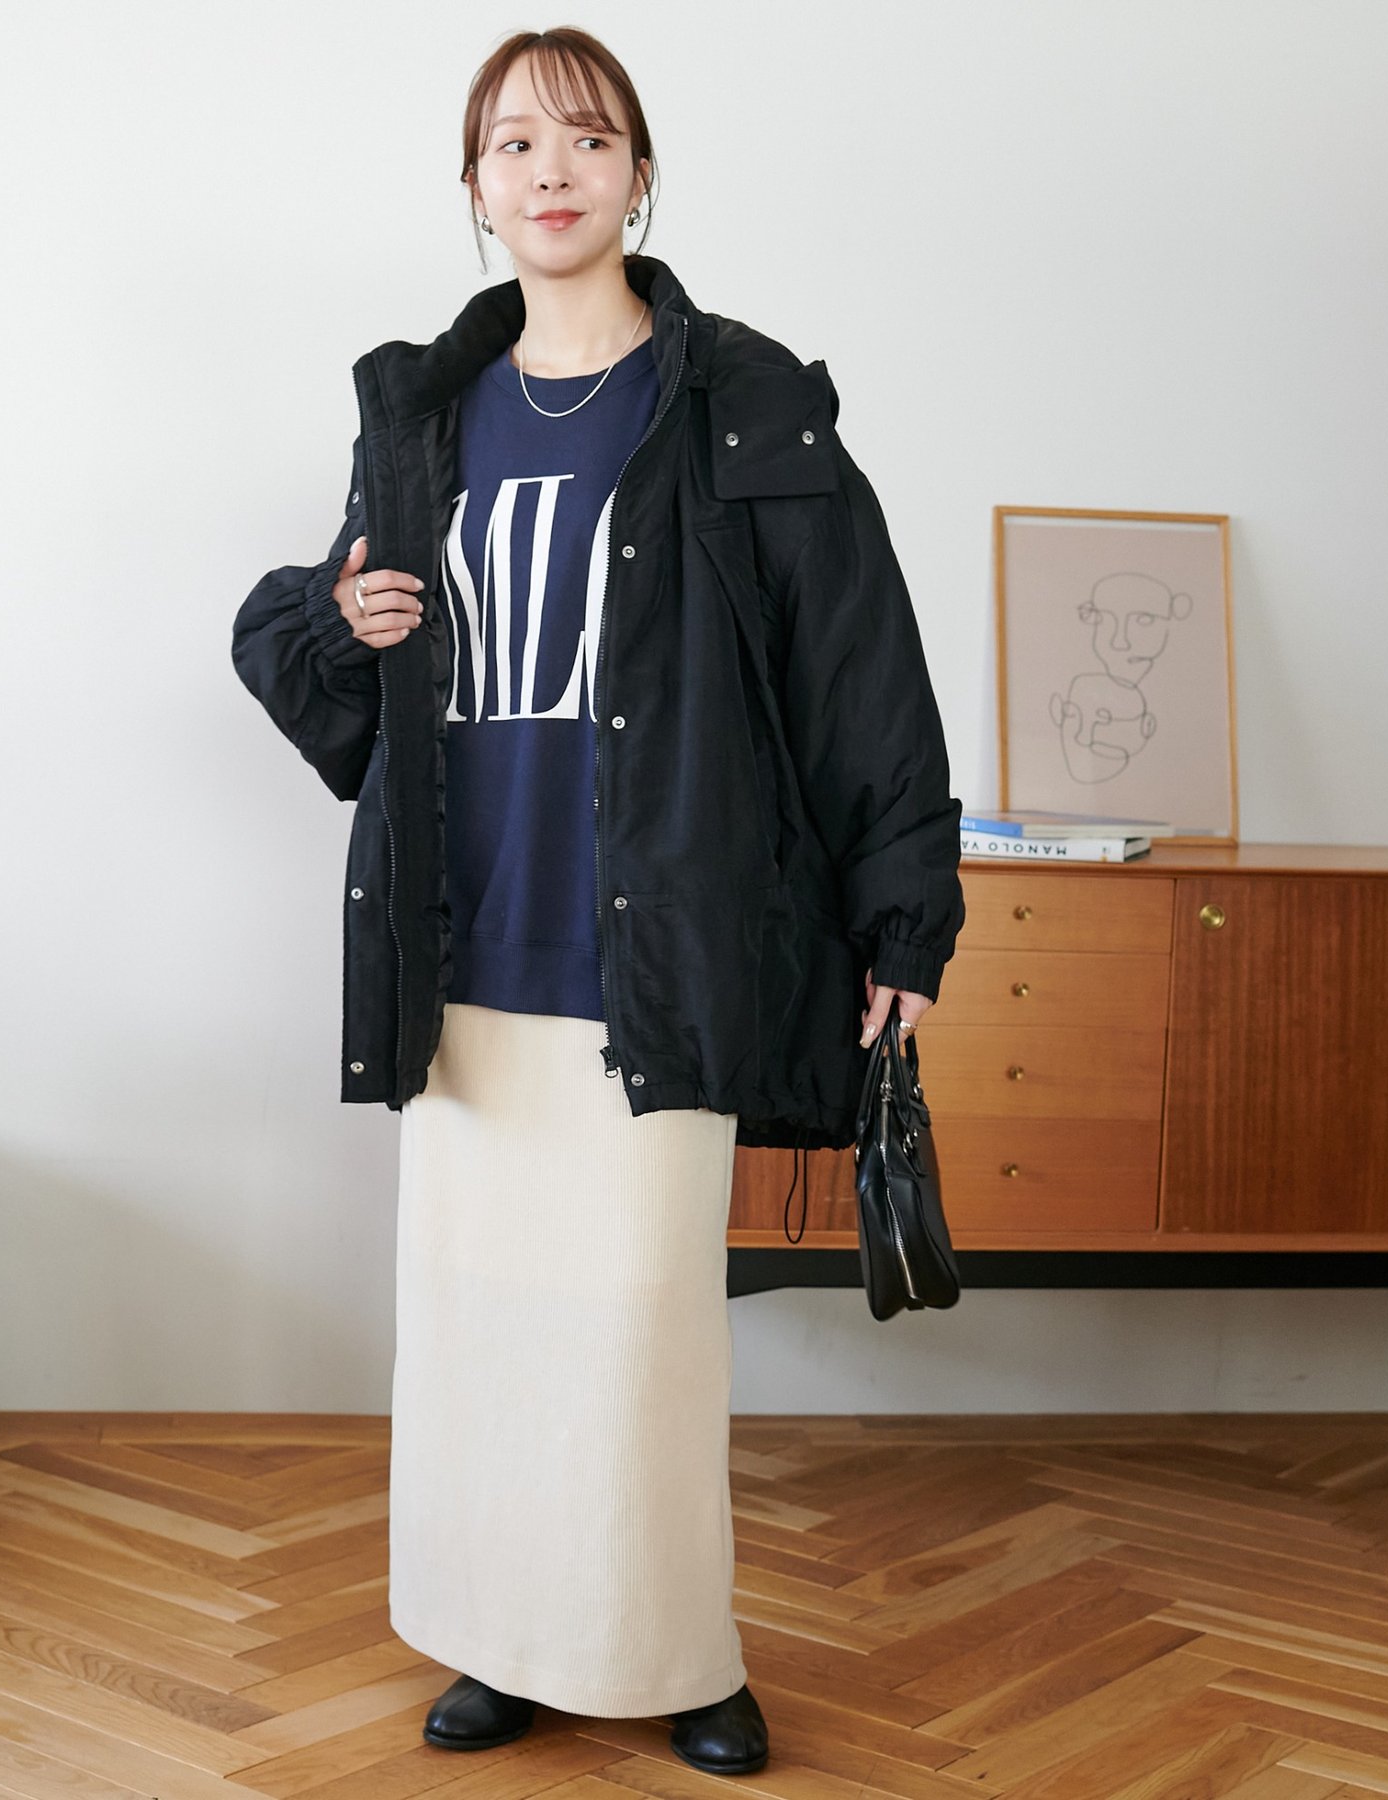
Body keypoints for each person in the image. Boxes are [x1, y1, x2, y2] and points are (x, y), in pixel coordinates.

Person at [231, 25, 964, 1781]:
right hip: (463, 938)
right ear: (474, 190)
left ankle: (671, 1653)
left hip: (659, 941)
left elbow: (860, 670)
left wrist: (904, 922)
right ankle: (501, 1642)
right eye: (513, 144)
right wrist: (345, 618)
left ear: (640, 173)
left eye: (586, 137)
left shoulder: (742, 397)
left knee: (639, 1334)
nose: (549, 168)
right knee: (480, 1329)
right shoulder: (421, 412)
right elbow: (319, 651)